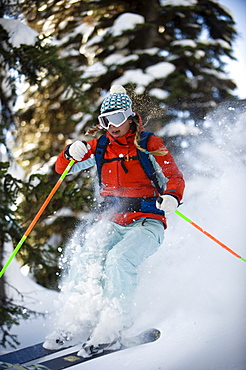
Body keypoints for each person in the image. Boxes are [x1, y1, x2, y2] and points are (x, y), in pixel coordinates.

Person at [43, 85, 185, 356]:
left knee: (119, 260)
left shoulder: (149, 144)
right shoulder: (100, 147)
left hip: (147, 221)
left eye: (117, 118)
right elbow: (63, 169)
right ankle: (75, 323)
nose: (111, 125)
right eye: (105, 120)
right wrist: (69, 153)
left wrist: (172, 196)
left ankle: (112, 327)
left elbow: (174, 176)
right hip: (113, 219)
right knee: (88, 256)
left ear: (130, 116)